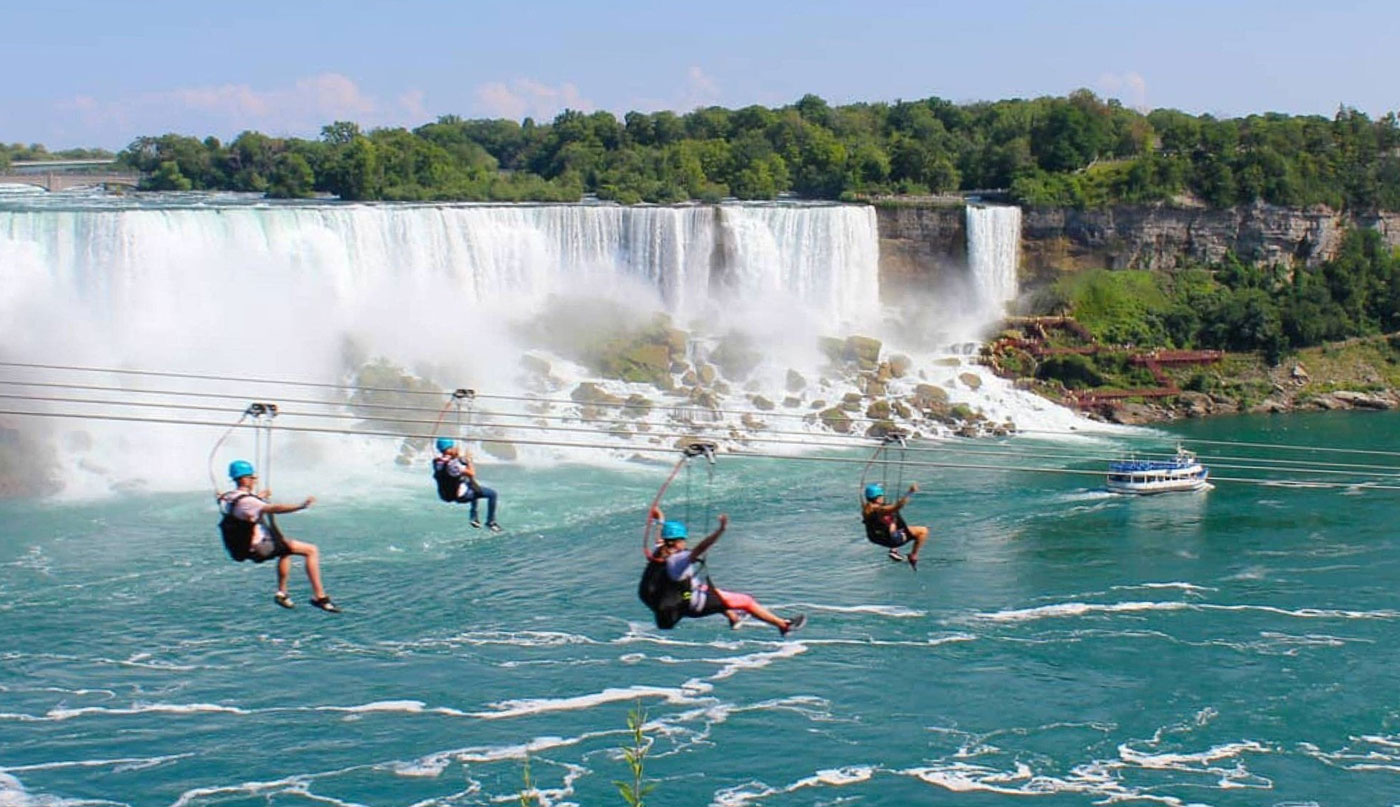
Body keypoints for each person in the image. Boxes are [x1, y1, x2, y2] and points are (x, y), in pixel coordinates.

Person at [645, 507, 806, 636]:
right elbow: (701, 548)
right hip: (692, 602)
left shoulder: (660, 552)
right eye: (684, 540)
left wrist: (659, 518)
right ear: (679, 541)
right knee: (746, 601)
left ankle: (733, 617)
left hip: (679, 597)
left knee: (715, 592)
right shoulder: (678, 560)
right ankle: (784, 626)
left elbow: (659, 538)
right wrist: (720, 530)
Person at [218, 460, 340, 612]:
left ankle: (282, 593)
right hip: (259, 547)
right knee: (311, 550)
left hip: (241, 549)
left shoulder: (226, 498)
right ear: (244, 478)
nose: (254, 480)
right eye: (252, 477)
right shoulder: (249, 502)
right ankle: (320, 597)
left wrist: (259, 497)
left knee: (285, 549)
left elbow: (243, 506)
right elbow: (274, 508)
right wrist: (301, 506)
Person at [431, 437, 500, 531]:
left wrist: (459, 457)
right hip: (461, 496)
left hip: (446, 495)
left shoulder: (436, 462)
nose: (455, 448)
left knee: (470, 485)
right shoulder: (452, 465)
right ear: (449, 449)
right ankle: (490, 522)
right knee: (492, 494)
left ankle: (474, 517)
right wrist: (469, 461)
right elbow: (471, 472)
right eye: (453, 446)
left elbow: (451, 463)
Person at [861, 482, 928, 570]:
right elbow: (898, 506)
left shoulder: (866, 508)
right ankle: (913, 556)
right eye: (881, 496)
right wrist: (910, 492)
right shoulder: (880, 510)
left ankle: (894, 550)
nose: (882, 498)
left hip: (875, 538)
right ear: (877, 498)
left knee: (891, 521)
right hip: (891, 540)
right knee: (923, 531)